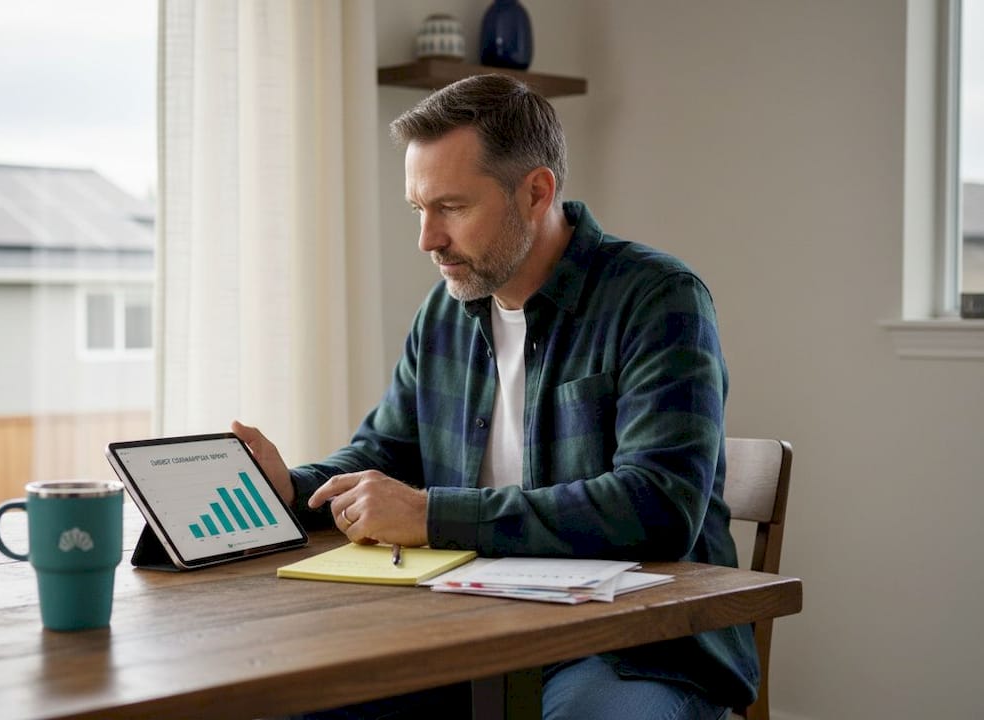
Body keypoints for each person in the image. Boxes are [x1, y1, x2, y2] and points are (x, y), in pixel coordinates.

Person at [233, 73, 758, 720]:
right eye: (418, 210)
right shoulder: (447, 312)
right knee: (293, 701)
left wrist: (431, 516)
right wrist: (290, 487)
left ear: (536, 192)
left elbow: (658, 507)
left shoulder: (657, 299)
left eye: (451, 207)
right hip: (468, 628)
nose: (428, 239)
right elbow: (385, 457)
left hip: (633, 643)